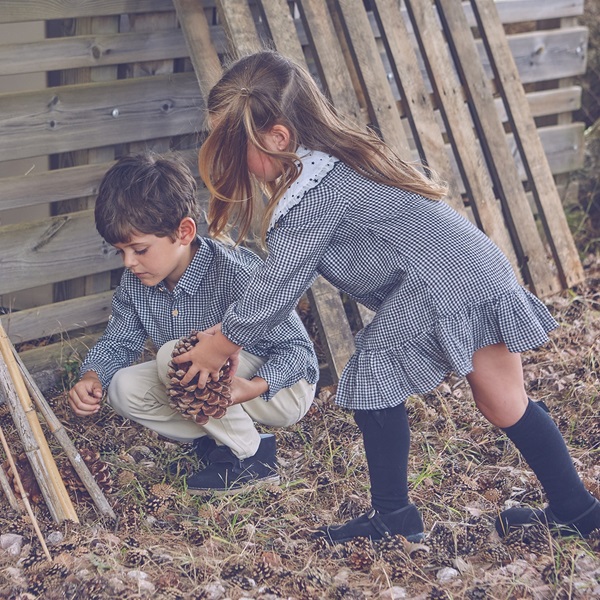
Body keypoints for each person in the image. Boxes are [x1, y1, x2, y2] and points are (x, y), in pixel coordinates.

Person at [171, 50, 600, 543]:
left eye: (230, 145)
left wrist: (222, 341)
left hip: (441, 281)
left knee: (375, 370)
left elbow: (277, 287)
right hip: (473, 265)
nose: (225, 160)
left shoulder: (314, 194)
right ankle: (577, 509)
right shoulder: (330, 169)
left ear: (279, 137)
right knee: (504, 402)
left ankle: (393, 521)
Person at [67, 153, 319, 494]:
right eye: (120, 252)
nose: (129, 262)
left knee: (176, 353)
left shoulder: (236, 272)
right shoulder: (136, 285)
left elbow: (299, 353)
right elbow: (119, 344)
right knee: (122, 389)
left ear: (184, 232)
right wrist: (92, 377)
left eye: (139, 249)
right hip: (217, 392)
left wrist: (253, 386)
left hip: (280, 390)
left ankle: (253, 457)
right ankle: (218, 447)